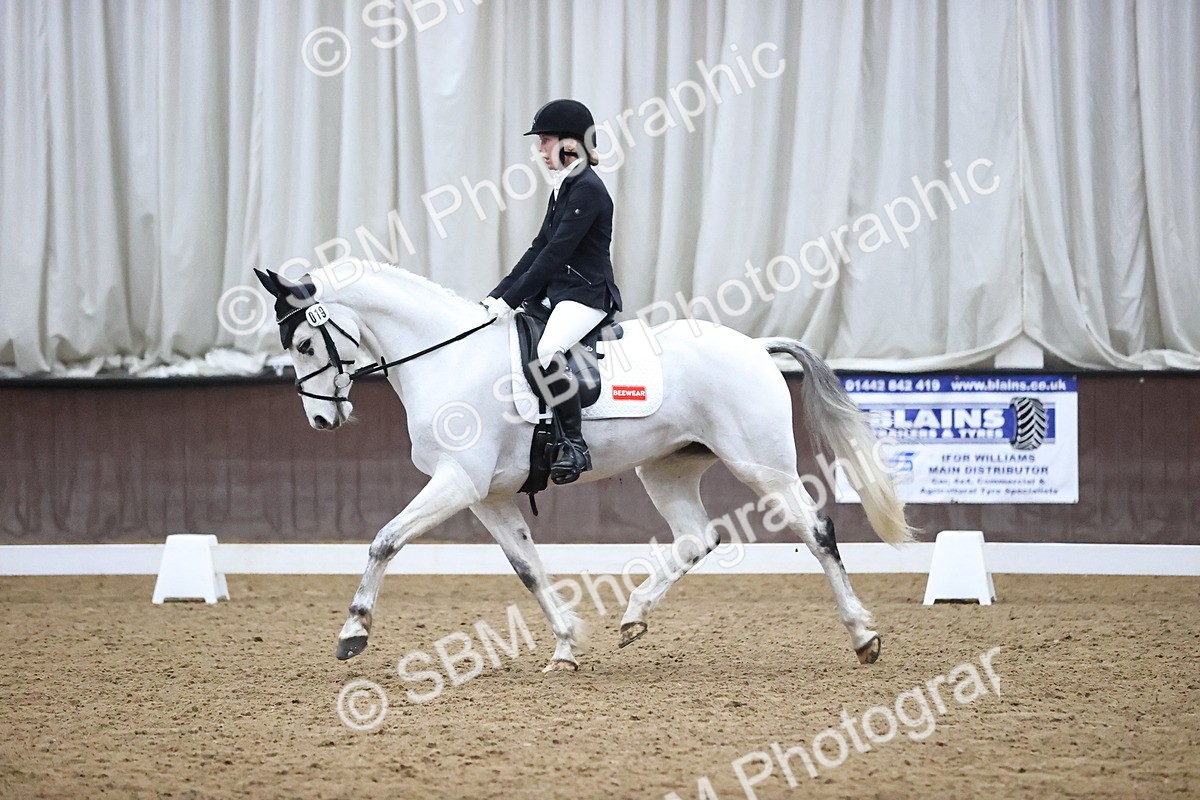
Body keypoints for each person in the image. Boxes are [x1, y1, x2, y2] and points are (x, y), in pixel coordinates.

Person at [482, 99, 623, 485]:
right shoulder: (565, 188)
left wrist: (509, 301)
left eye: (545, 141)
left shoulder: (588, 191)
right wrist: (495, 297)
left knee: (547, 351)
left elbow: (554, 256)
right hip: (561, 294)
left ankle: (575, 446)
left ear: (570, 144)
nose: (540, 150)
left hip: (587, 295)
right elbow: (537, 249)